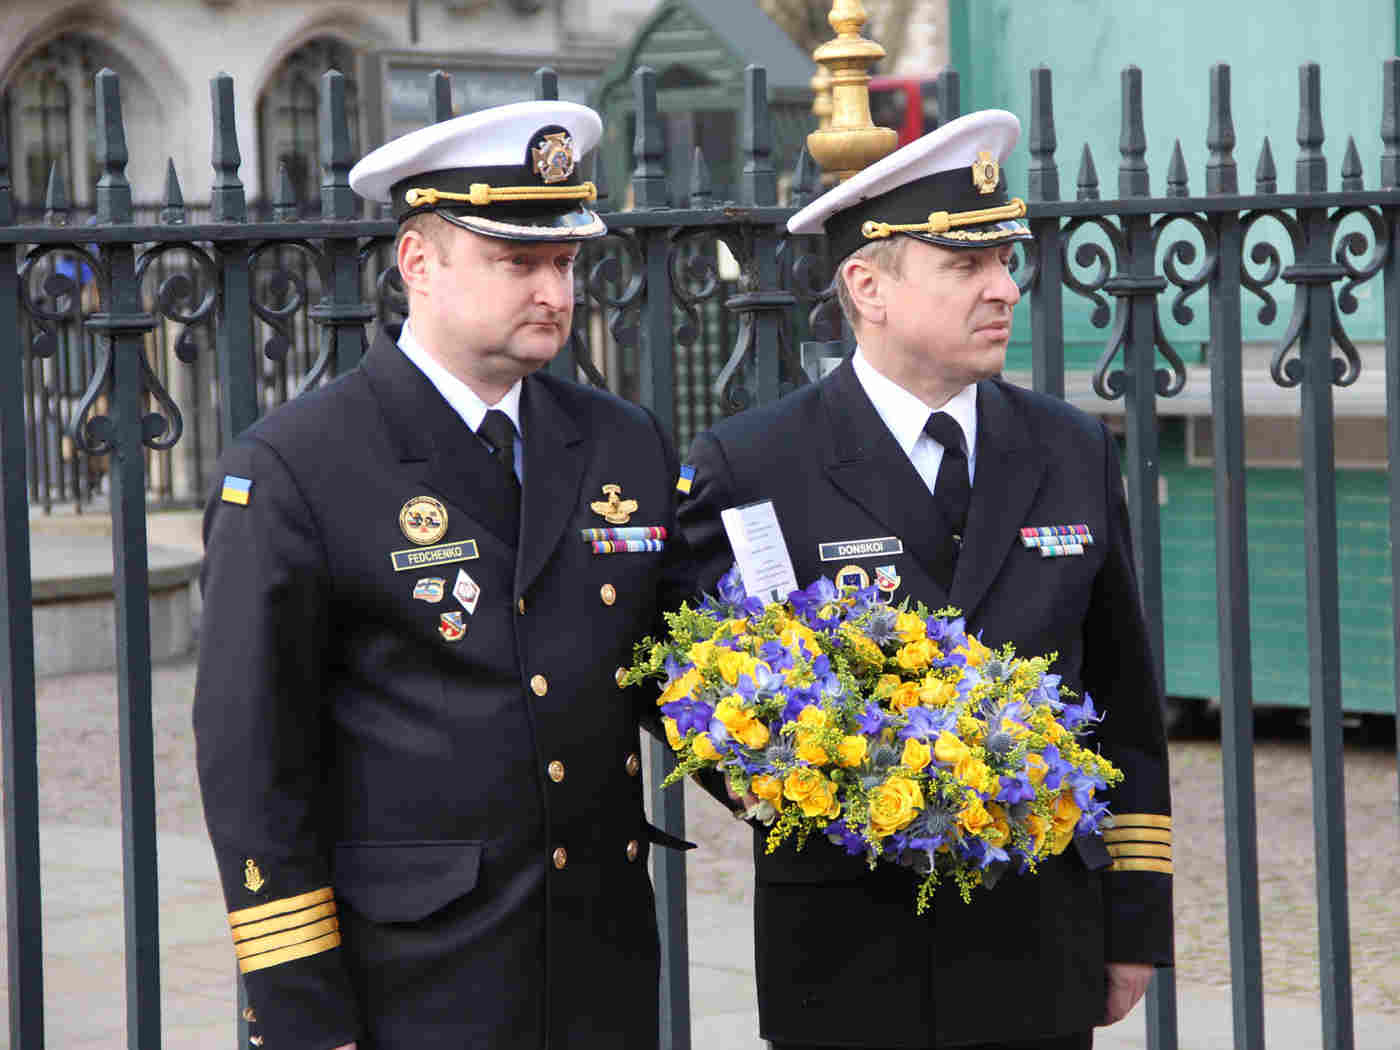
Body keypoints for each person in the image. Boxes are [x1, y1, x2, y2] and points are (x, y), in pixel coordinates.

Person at [193, 100, 692, 1049]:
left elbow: (685, 667)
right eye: (517, 262)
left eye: (565, 263)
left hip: (601, 964)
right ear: (418, 262)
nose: (552, 291)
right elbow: (254, 758)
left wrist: (834, 754)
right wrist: (302, 1011)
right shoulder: (301, 464)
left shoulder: (621, 441)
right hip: (416, 975)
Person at [676, 110, 1173, 1050]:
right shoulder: (756, 463)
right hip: (851, 950)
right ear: (867, 286)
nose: (1005, 289)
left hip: (1038, 942)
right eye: (966, 265)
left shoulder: (1069, 448)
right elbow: (701, 697)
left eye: (1006, 261)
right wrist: (821, 782)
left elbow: (1125, 696)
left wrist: (1134, 920)